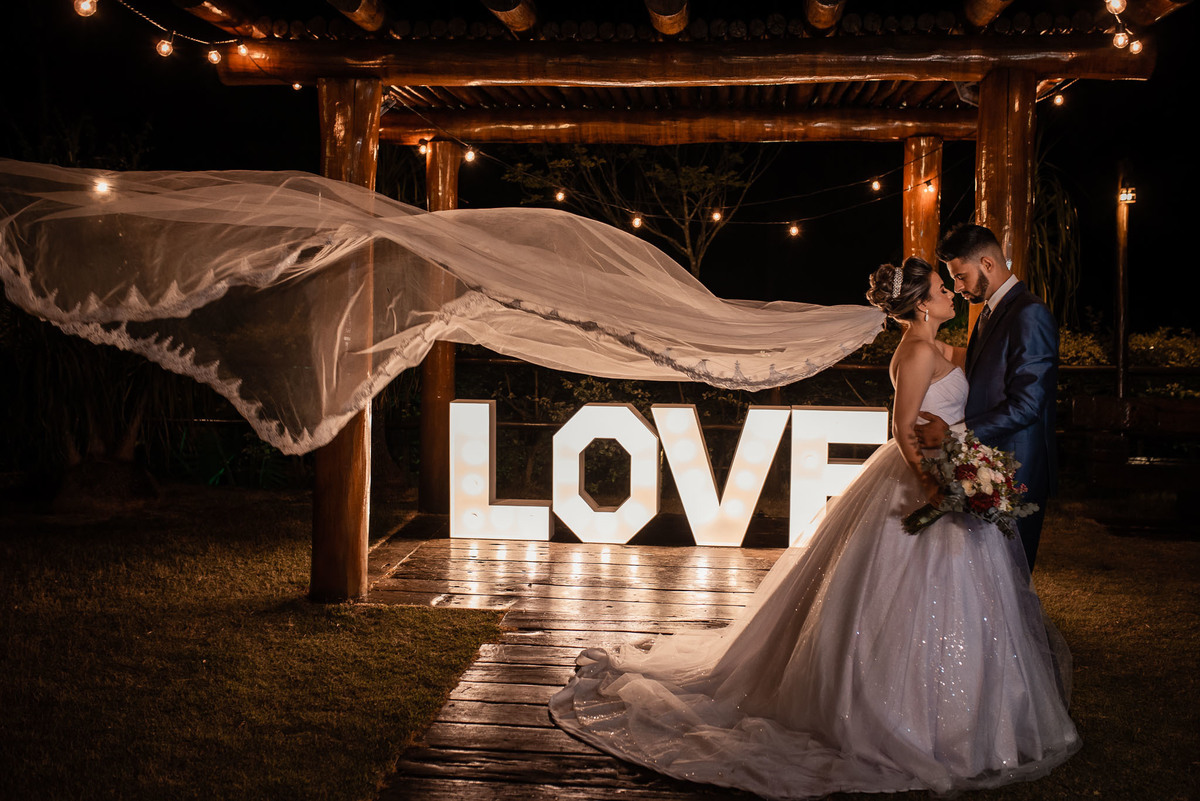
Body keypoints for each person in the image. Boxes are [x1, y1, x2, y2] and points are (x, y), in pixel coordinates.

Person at [550, 257, 1080, 800]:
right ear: (922, 303)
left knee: (966, 599)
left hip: (949, 465)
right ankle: (907, 718)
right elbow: (902, 428)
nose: (952, 296)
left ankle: (972, 717)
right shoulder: (918, 351)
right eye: (945, 289)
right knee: (910, 598)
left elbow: (986, 365)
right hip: (922, 478)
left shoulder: (934, 347)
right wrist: (932, 485)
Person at [918, 224, 1058, 570]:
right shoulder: (989, 315)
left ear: (988, 264)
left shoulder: (1030, 313)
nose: (958, 287)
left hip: (1016, 471)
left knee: (1010, 582)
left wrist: (953, 435)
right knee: (984, 583)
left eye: (961, 277)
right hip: (983, 466)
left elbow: (1027, 404)